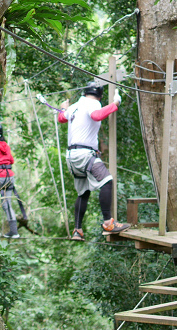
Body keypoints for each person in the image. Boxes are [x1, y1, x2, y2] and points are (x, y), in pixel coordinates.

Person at [58, 82, 131, 241]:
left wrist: (64, 108)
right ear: (99, 95)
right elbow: (96, 115)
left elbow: (61, 118)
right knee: (107, 181)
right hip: (85, 155)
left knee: (83, 192)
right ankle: (108, 223)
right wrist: (115, 103)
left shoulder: (76, 105)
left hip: (72, 157)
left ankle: (78, 230)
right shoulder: (93, 103)